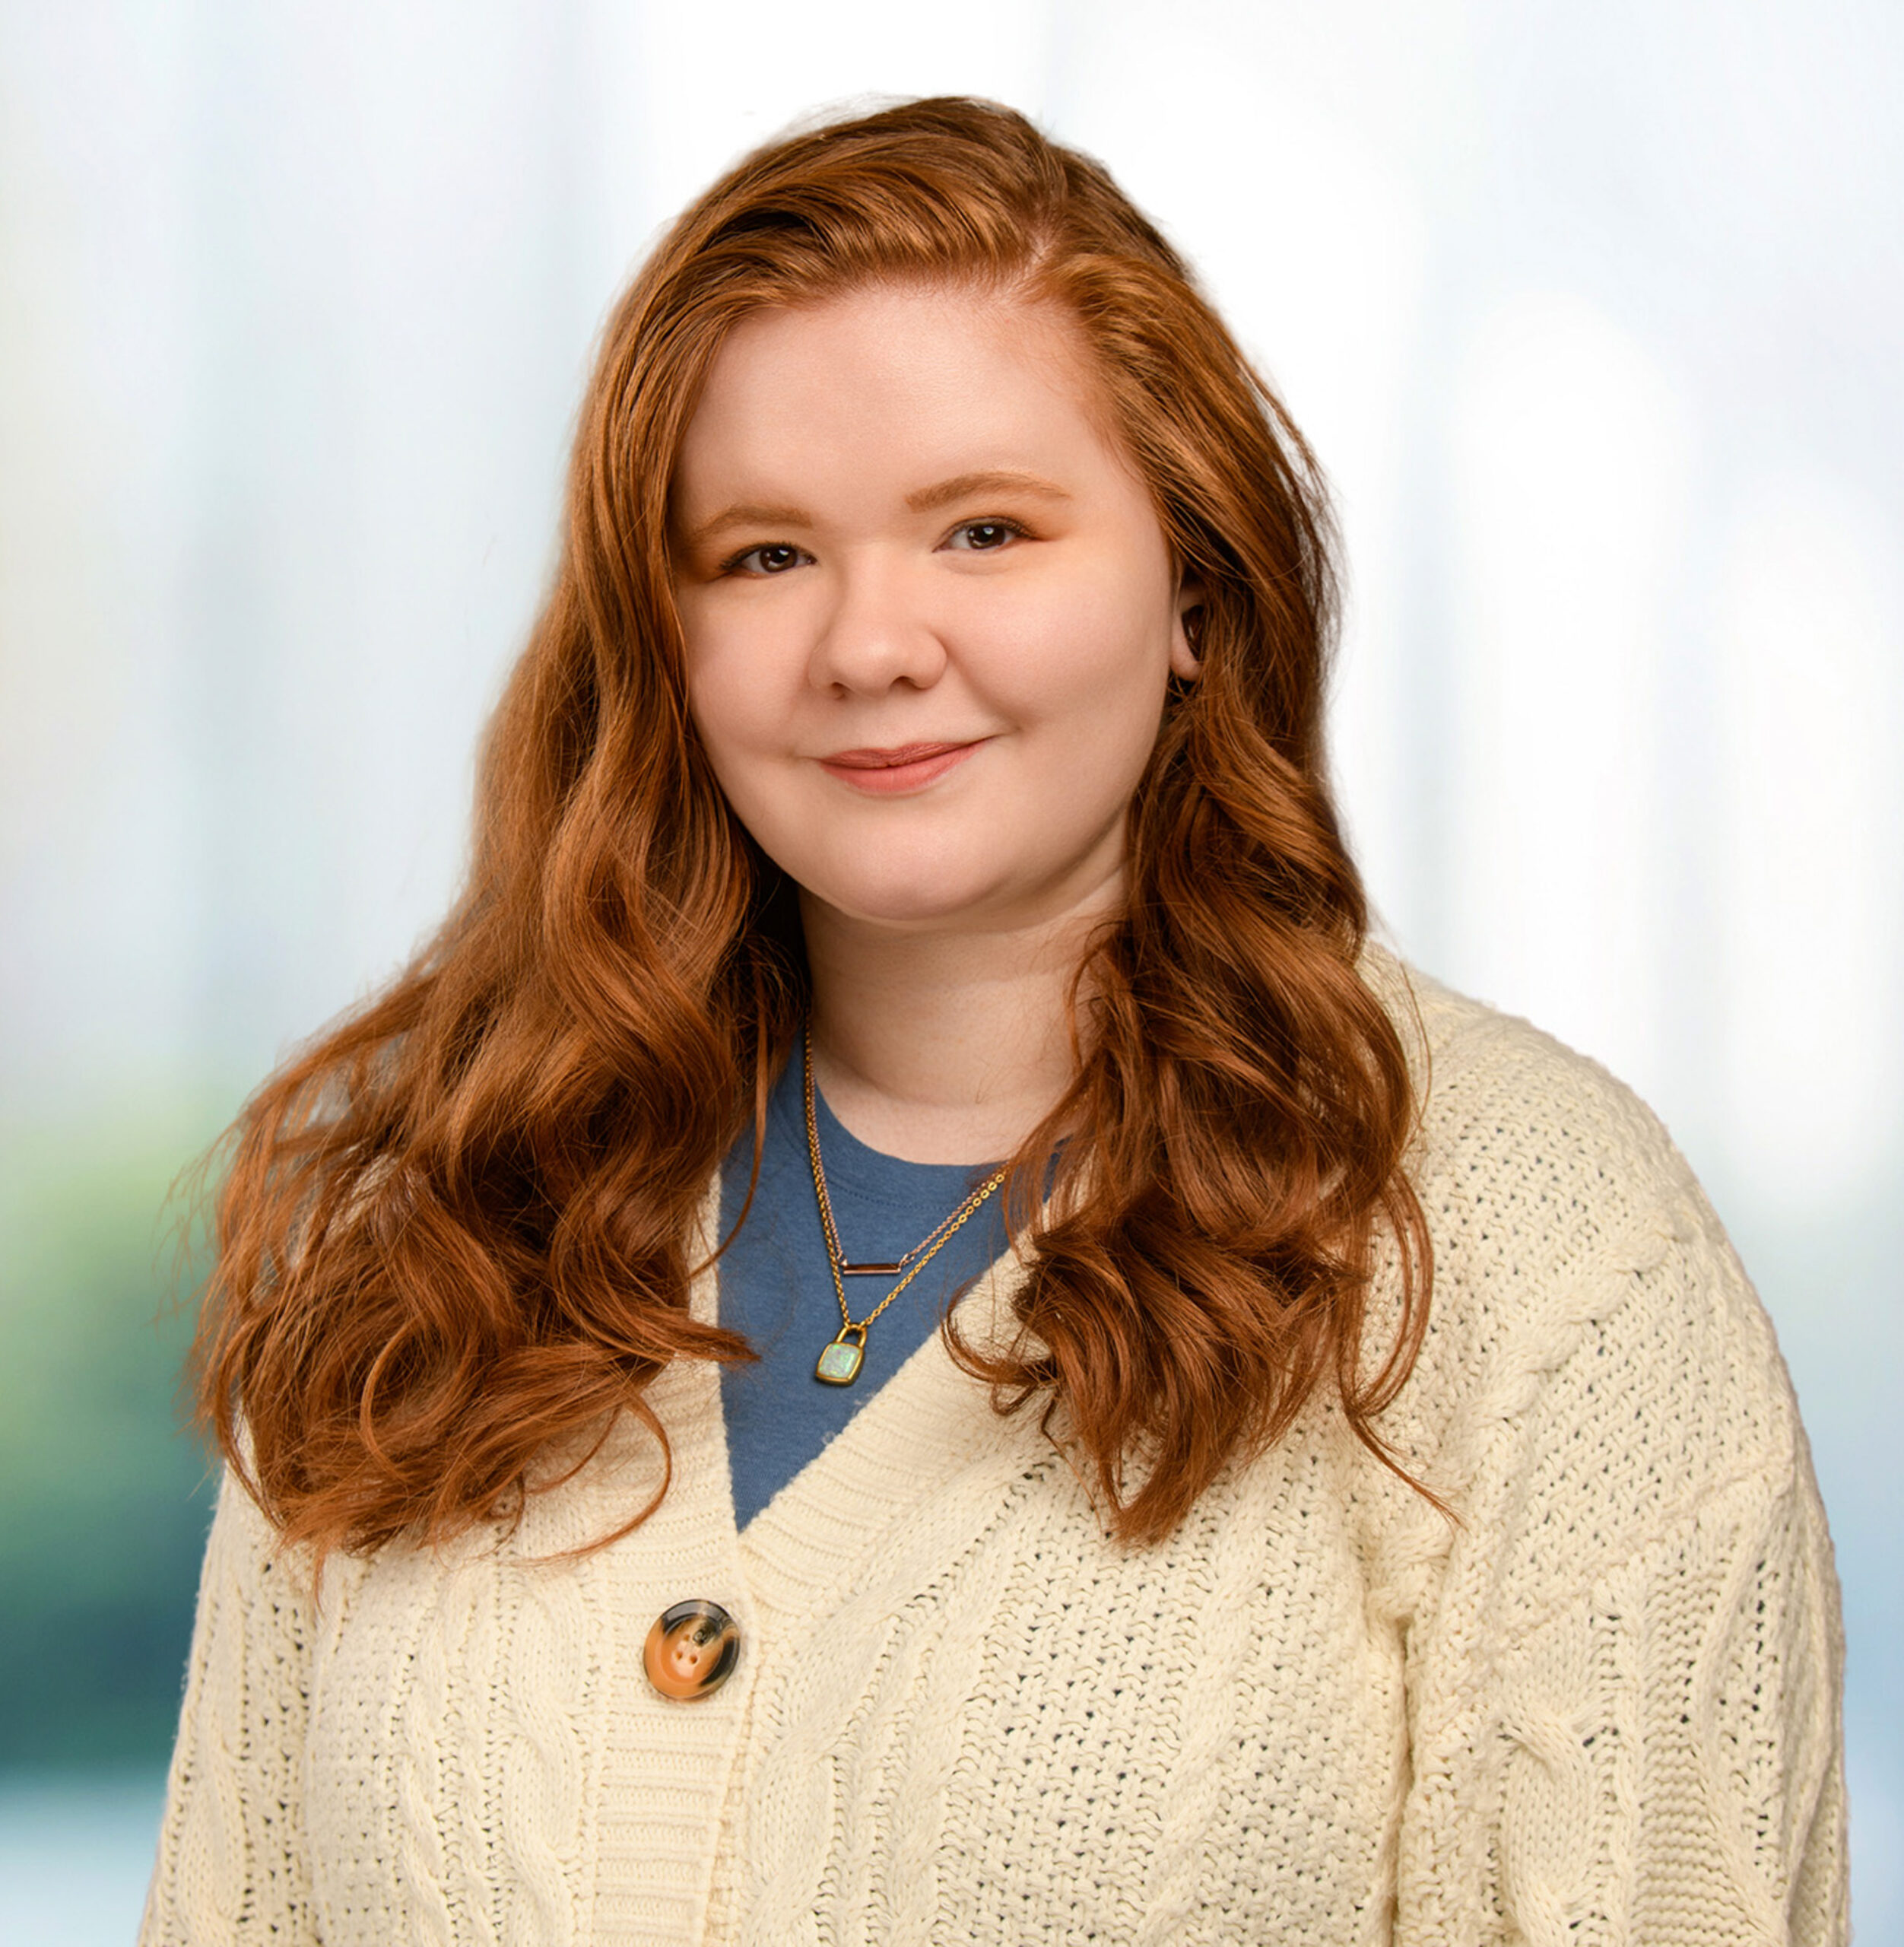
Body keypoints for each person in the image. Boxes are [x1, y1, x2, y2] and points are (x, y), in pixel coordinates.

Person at [140, 97, 1846, 1945]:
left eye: (982, 529)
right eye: (763, 555)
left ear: (1190, 587)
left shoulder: (1532, 1238)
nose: (870, 643)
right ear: (662, 634)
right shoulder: (435, 1207)